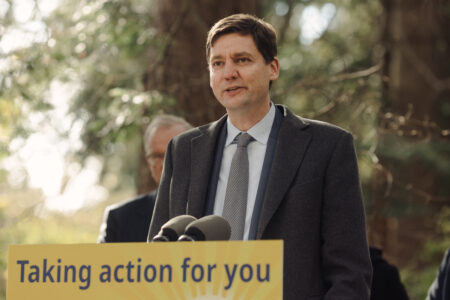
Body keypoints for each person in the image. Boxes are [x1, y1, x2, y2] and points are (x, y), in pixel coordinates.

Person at [148, 14, 372, 299]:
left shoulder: (327, 147)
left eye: (242, 60)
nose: (229, 73)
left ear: (273, 68)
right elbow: (155, 262)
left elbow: (350, 276)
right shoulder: (183, 150)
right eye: (218, 63)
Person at [97, 114, 192, 243]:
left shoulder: (219, 207)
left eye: (175, 152)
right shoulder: (120, 219)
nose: (166, 163)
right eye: (157, 156)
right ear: (148, 162)